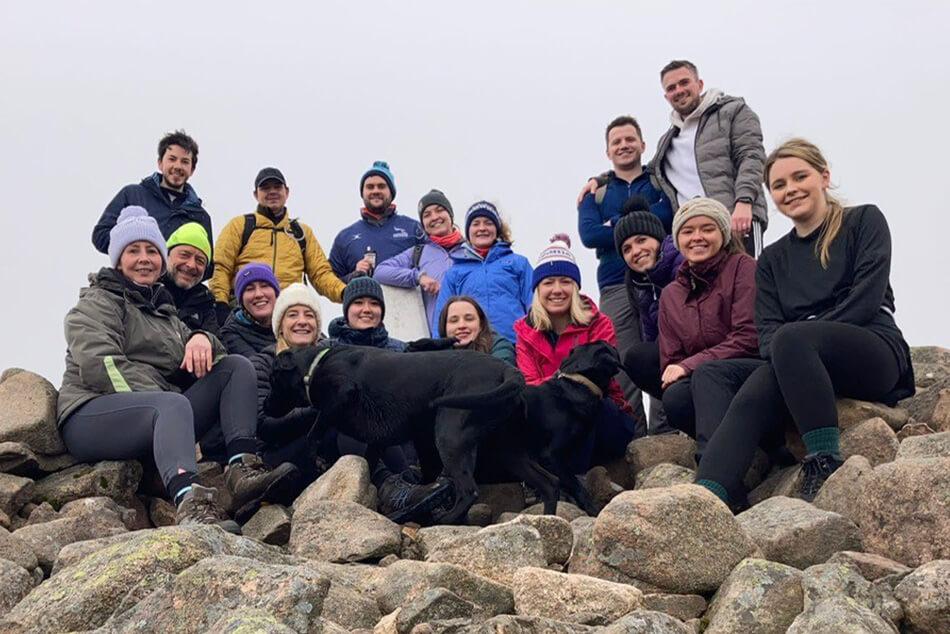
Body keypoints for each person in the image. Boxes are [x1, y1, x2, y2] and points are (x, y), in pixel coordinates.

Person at [695, 139, 915, 506]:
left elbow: (865, 302)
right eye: (779, 185)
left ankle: (824, 459)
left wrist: (804, 336)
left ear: (824, 176)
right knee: (735, 379)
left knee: (791, 340)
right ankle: (708, 498)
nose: (790, 189)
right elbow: (766, 335)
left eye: (800, 177)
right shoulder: (771, 260)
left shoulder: (863, 221)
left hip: (872, 351)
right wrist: (796, 346)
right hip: (797, 361)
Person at [58, 206, 297, 531]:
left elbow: (216, 354)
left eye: (152, 251)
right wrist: (165, 400)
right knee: (173, 404)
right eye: (134, 250)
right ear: (117, 260)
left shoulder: (164, 313)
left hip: (158, 416)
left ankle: (242, 468)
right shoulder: (98, 302)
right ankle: (192, 507)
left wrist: (202, 338)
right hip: (90, 415)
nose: (144, 258)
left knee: (235, 368)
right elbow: (101, 366)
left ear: (161, 261)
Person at [626, 198, 758, 458]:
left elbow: (749, 337)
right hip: (703, 377)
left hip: (747, 372)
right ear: (677, 240)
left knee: (707, 375)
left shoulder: (743, 267)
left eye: (707, 229)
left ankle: (712, 462)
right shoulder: (672, 294)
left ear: (722, 232)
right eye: (687, 232)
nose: (697, 237)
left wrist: (692, 364)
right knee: (676, 398)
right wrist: (689, 368)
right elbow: (671, 359)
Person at [577, 116, 674, 429]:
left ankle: (665, 428)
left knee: (665, 349)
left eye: (629, 139)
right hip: (615, 284)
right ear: (608, 151)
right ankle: (634, 435)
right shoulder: (597, 193)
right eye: (616, 142)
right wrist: (638, 217)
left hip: (660, 278)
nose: (623, 146)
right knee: (622, 359)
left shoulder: (661, 181)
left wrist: (614, 224)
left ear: (643, 144)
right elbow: (589, 234)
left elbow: (668, 213)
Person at [513, 240, 637, 471]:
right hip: (550, 420)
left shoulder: (599, 323)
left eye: (565, 281)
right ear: (538, 289)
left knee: (586, 404)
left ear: (576, 287)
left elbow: (597, 380)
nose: (557, 289)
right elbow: (529, 385)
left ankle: (576, 478)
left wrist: (558, 386)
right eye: (548, 282)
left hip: (598, 415)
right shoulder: (524, 332)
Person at [652, 60, 768, 257]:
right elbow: (645, 172)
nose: (679, 90)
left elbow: (751, 156)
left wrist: (744, 201)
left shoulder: (733, 111)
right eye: (671, 88)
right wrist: (600, 180)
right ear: (666, 96)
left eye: (684, 82)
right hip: (696, 236)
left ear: (700, 84)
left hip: (736, 221)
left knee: (748, 284)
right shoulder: (667, 142)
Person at [210, 167, 344, 322]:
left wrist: (345, 293)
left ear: (287, 192)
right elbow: (220, 268)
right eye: (265, 188)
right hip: (245, 314)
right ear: (255, 194)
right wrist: (220, 303)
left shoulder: (301, 232)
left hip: (289, 314)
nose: (272, 191)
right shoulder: (240, 225)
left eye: (277, 187)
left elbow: (321, 274)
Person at [93, 131, 213, 269]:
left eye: (185, 161)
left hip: (172, 290)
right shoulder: (132, 195)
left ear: (192, 169)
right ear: (160, 163)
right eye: (172, 159)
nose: (178, 166)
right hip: (130, 285)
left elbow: (207, 264)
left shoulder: (200, 216)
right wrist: (135, 251)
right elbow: (100, 236)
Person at [613, 200, 683, 434]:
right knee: (638, 358)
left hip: (707, 354)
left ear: (658, 239)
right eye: (627, 248)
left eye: (641, 240)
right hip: (680, 367)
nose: (636, 251)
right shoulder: (642, 287)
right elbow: (653, 341)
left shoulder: (682, 263)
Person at [435, 201, 533, 344]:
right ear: (468, 232)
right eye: (475, 224)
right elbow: (441, 316)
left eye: (488, 223)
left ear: (497, 229)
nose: (482, 228)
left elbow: (534, 305)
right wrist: (439, 349)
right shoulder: (454, 273)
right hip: (473, 349)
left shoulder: (519, 263)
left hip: (516, 345)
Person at [375, 189, 467, 335]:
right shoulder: (418, 253)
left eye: (439, 210)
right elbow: (380, 271)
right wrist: (418, 277)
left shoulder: (472, 250)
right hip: (439, 341)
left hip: (476, 337)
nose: (434, 217)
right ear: (423, 224)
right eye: (427, 215)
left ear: (450, 215)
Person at [329, 161, 424, 282]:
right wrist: (353, 276)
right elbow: (330, 283)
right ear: (363, 193)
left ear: (391, 192)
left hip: (407, 300)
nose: (375, 191)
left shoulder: (414, 229)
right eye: (370, 187)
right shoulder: (345, 237)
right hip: (365, 299)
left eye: (381, 186)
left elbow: (433, 263)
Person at [161, 222, 218, 334]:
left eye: (200, 261)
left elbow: (219, 346)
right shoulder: (148, 291)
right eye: (184, 255)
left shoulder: (205, 303)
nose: (191, 265)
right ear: (167, 255)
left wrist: (204, 337)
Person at [219, 263, 280, 358]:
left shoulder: (291, 323)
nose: (258, 294)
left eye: (264, 286)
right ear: (241, 300)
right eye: (249, 289)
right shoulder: (230, 334)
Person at [328, 276, 406, 350]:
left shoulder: (403, 352)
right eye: (358, 302)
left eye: (374, 303)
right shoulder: (326, 351)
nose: (367, 309)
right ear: (346, 310)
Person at [437, 296, 516, 365]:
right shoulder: (435, 353)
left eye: (469, 319)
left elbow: (499, 375)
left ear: (481, 324)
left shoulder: (499, 346)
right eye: (454, 321)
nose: (461, 325)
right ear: (444, 327)